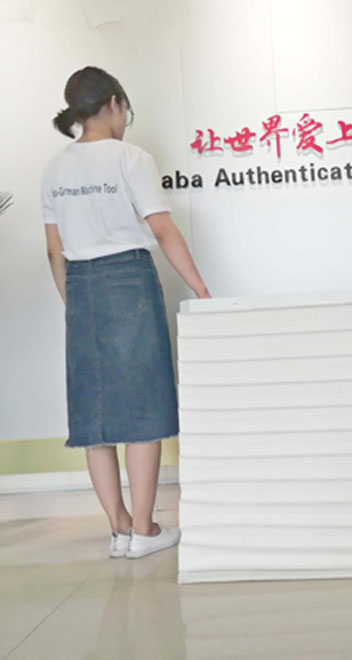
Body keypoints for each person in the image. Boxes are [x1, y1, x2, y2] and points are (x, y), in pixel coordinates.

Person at [42, 66, 211, 558]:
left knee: (94, 416)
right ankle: (144, 530)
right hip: (128, 281)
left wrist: (74, 304)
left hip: (81, 287)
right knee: (143, 408)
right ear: (114, 103)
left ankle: (118, 531)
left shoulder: (54, 168)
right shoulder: (131, 158)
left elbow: (53, 251)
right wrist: (200, 289)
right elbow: (162, 229)